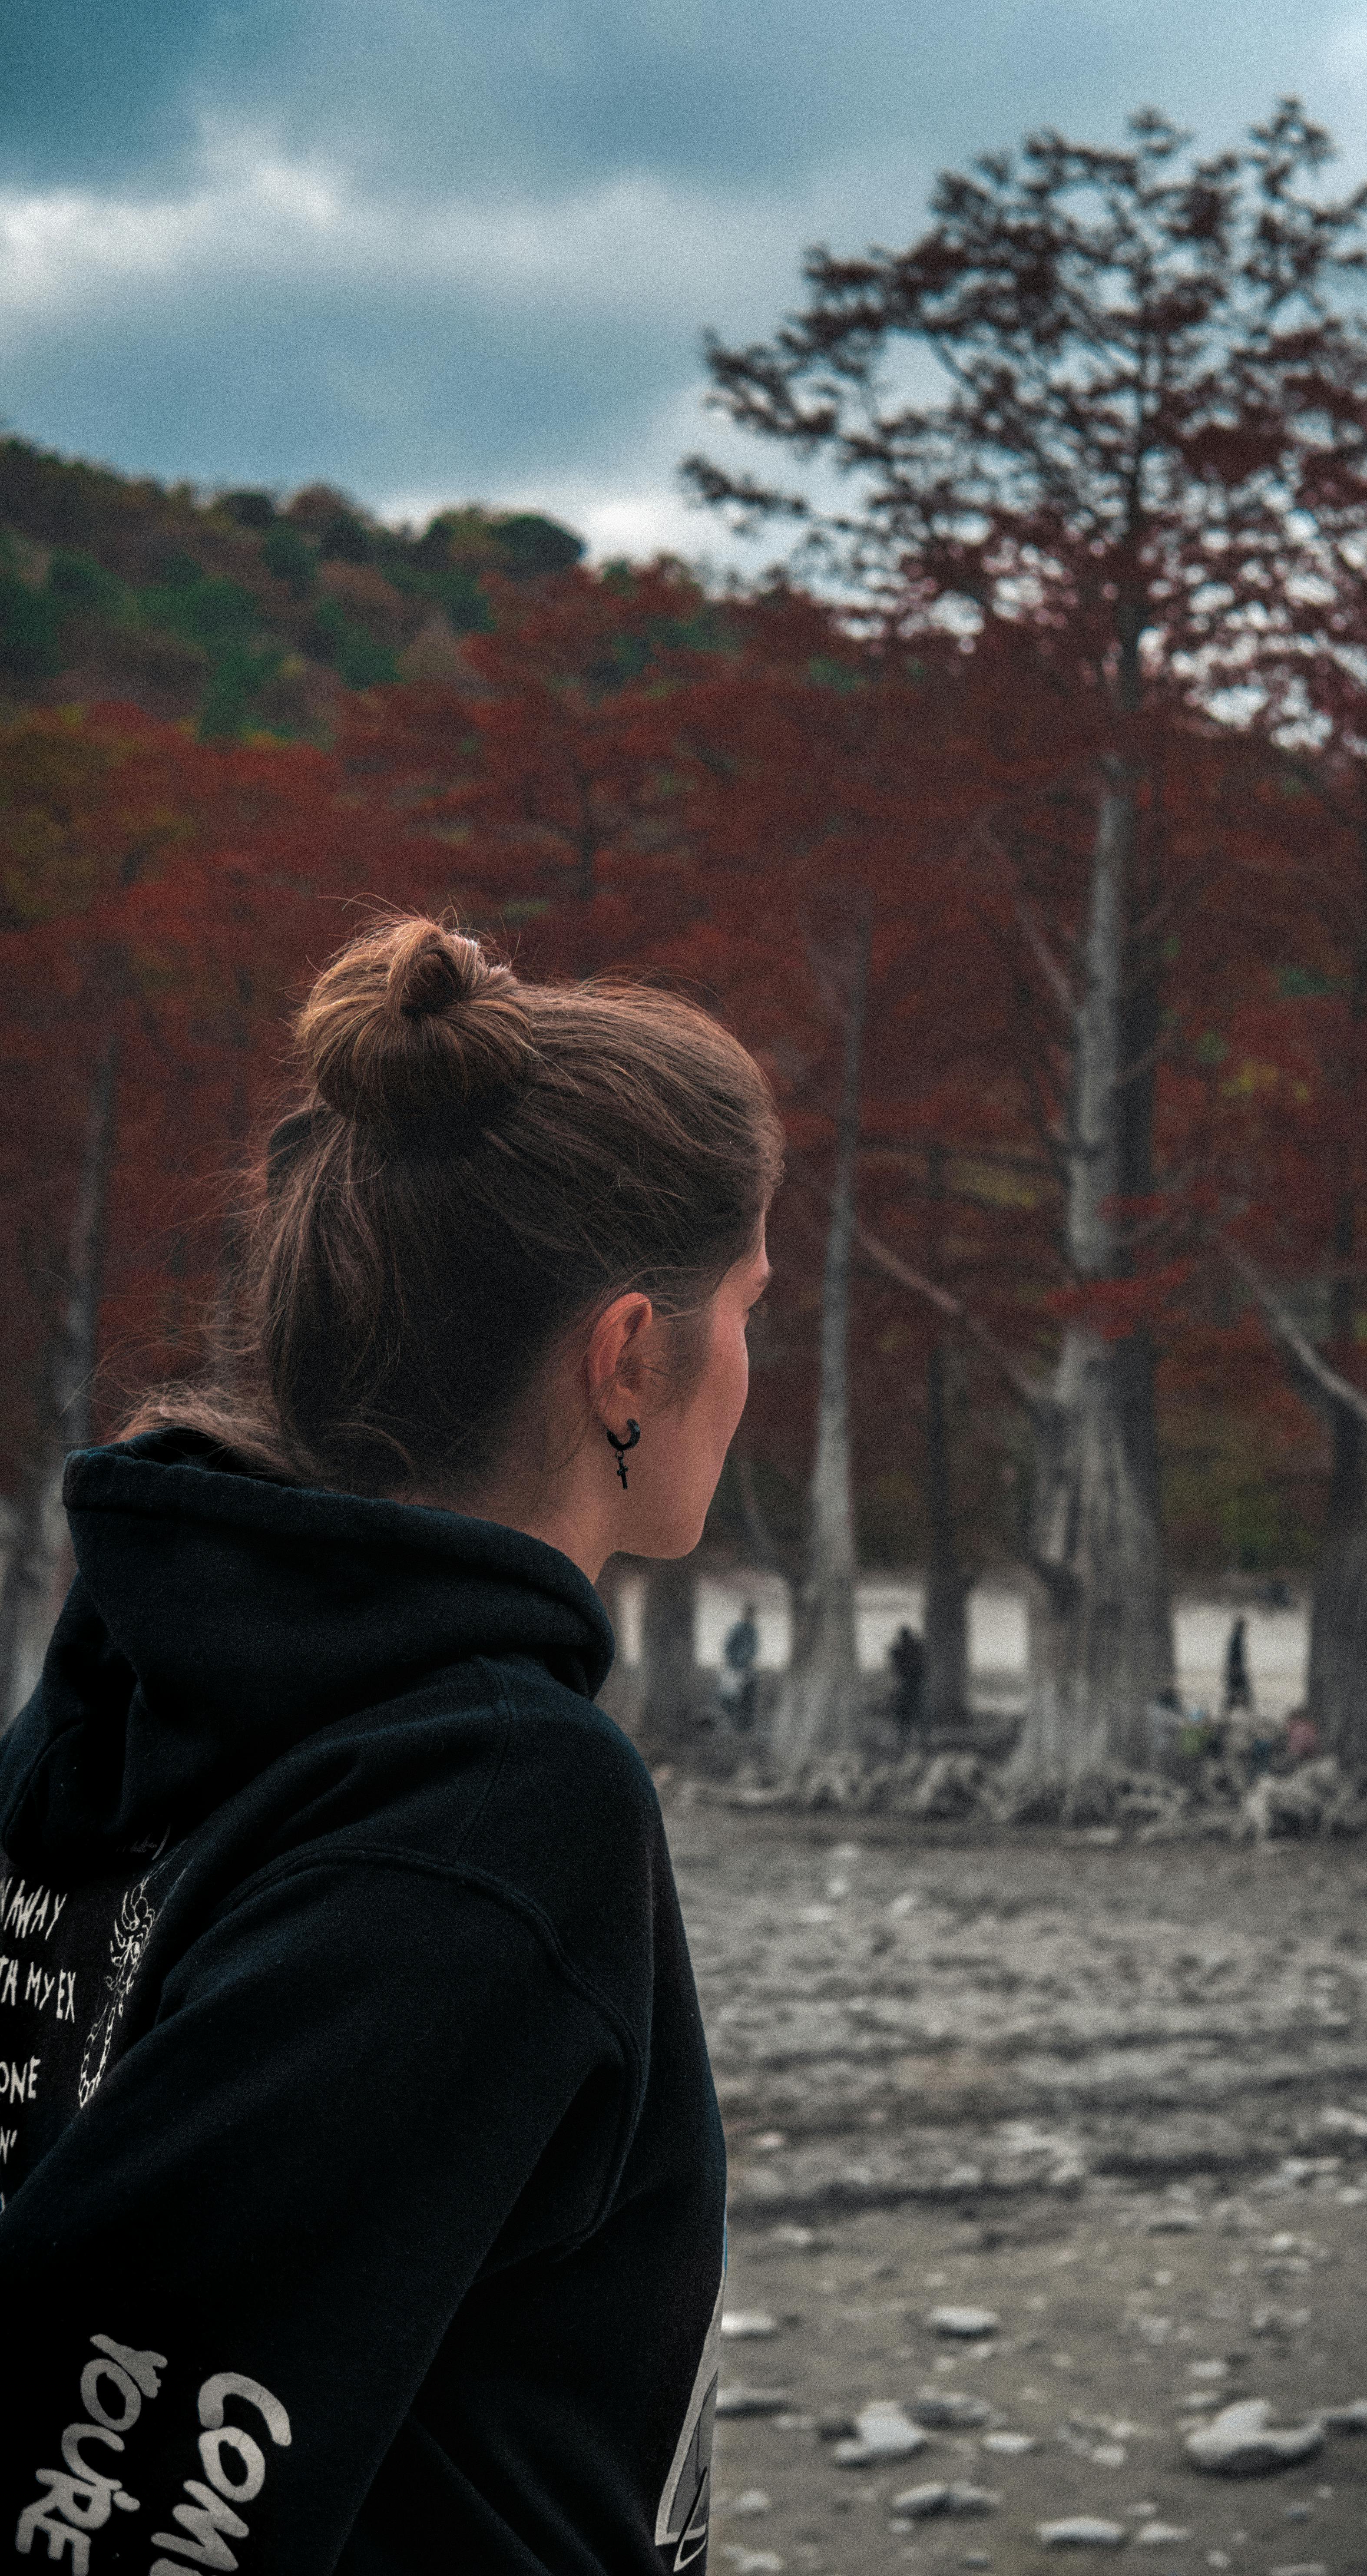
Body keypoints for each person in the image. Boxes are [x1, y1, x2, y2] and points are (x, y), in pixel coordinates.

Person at [0, 917, 783, 2575]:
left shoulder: (129, 1691)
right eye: (747, 1308)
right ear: (631, 1352)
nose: (749, 1370)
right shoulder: (494, 1805)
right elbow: (118, 2479)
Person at [720, 1600, 760, 1733]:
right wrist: (734, 1664)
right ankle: (732, 1724)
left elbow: (754, 1651)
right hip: (735, 1667)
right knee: (732, 1694)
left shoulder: (753, 1631)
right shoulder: (738, 1629)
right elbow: (728, 1648)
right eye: (749, 1614)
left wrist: (748, 1664)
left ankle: (745, 1726)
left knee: (748, 1695)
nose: (751, 1617)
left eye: (753, 1614)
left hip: (747, 1668)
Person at [889, 1623, 926, 1746]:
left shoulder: (902, 1650)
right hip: (914, 1685)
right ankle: (919, 1738)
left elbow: (896, 1665)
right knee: (916, 1711)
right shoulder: (917, 1648)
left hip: (907, 1685)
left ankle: (906, 1737)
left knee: (905, 1712)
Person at [1224, 1611, 1253, 1713]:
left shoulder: (1236, 1637)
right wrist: (1236, 1667)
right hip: (1236, 1668)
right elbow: (1235, 1655)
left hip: (1235, 1667)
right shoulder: (1237, 1638)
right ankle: (1247, 1709)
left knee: (1235, 1690)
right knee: (1241, 1689)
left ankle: (1230, 1709)